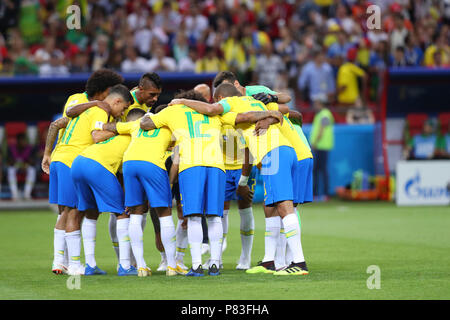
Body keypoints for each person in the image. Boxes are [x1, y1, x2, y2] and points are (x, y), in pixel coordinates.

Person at [174, 83, 309, 276]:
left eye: (217, 101)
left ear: (221, 97)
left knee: (284, 206)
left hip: (274, 153)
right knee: (270, 208)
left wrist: (182, 101)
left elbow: (213, 110)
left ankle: (299, 262)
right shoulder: (255, 102)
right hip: (278, 152)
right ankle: (269, 261)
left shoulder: (231, 102)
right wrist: (271, 116)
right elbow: (286, 111)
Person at [141, 89, 280, 276]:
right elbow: (246, 116)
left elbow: (146, 124)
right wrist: (270, 113)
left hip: (191, 166)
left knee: (194, 217)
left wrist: (149, 115)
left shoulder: (174, 110)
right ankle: (215, 263)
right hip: (217, 167)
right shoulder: (217, 114)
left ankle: (197, 265)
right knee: (215, 217)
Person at [42, 84, 132, 276]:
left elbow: (57, 123)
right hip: (71, 160)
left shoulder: (85, 110)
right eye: (123, 108)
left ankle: (59, 261)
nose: (121, 113)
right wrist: (123, 129)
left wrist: (48, 153)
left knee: (65, 212)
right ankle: (73, 264)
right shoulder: (101, 110)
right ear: (116, 101)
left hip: (59, 158)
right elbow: (97, 136)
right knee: (74, 211)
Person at [102, 106, 186, 277]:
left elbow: (112, 127)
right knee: (165, 214)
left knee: (135, 214)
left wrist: (99, 124)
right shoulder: (168, 127)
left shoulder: (136, 124)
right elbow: (177, 153)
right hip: (152, 164)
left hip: (130, 164)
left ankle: (140, 266)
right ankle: (171, 266)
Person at [70, 107, 141, 277]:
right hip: (97, 166)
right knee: (122, 213)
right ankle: (125, 266)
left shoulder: (115, 133)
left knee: (90, 213)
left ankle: (90, 265)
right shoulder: (135, 138)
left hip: (79, 162)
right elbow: (127, 173)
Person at [310, 98, 334, 201]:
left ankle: (325, 194)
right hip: (320, 146)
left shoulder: (325, 114)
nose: (314, 106)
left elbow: (322, 129)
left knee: (321, 170)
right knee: (318, 170)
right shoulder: (321, 114)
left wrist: (315, 142)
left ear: (320, 103)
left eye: (316, 103)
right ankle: (317, 194)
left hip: (322, 146)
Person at [7, 132, 36, 201]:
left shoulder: (30, 148)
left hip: (26, 166)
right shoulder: (11, 148)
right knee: (10, 170)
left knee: (32, 170)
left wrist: (25, 164)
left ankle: (27, 194)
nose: (24, 142)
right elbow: (9, 161)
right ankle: (15, 195)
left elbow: (33, 162)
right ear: (18, 141)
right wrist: (17, 163)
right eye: (22, 140)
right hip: (15, 166)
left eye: (25, 140)